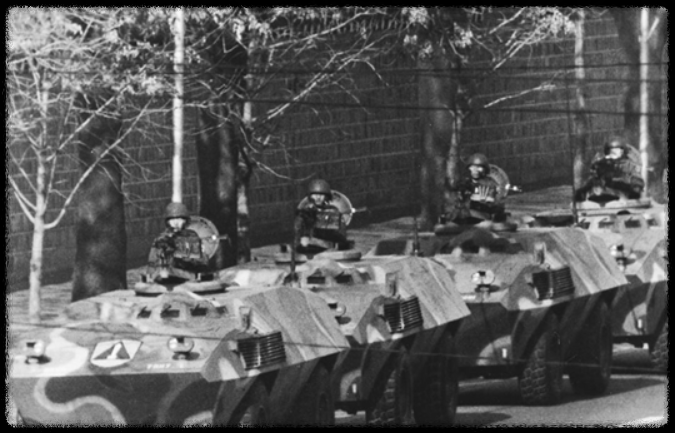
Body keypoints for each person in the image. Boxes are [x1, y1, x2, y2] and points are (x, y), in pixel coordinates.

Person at [149, 202, 209, 279]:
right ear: (167, 222)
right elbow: (152, 263)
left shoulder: (191, 236)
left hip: (188, 275)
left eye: (179, 219)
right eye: (172, 219)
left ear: (185, 221)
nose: (176, 223)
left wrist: (186, 257)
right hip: (166, 275)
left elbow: (203, 263)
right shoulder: (161, 239)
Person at [574, 136, 645, 202]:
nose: (614, 154)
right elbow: (593, 179)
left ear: (623, 152)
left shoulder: (629, 165)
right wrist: (583, 190)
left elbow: (636, 178)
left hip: (623, 196)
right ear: (607, 152)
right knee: (592, 185)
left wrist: (635, 186)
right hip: (603, 195)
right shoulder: (602, 164)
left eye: (617, 151)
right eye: (611, 152)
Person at [444, 153, 507, 225]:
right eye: (473, 167)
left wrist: (485, 200)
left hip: (482, 214)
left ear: (485, 169)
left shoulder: (490, 183)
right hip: (465, 214)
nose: (475, 170)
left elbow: (495, 201)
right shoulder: (466, 182)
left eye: (479, 167)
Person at [293, 179, 350, 254]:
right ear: (310, 196)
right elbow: (298, 233)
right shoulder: (305, 212)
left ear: (326, 196)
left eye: (321, 195)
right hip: (310, 244)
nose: (318, 197)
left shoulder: (333, 211)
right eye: (315, 195)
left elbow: (342, 234)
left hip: (328, 244)